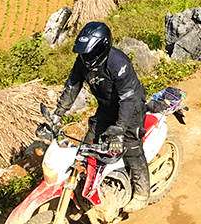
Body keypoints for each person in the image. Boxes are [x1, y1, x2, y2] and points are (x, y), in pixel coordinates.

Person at [51, 21, 151, 213]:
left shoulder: (118, 63)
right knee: (88, 144)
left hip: (131, 109)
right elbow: (72, 86)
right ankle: (89, 184)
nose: (86, 57)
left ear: (102, 47)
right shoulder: (82, 61)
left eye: (90, 52)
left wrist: (120, 130)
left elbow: (127, 99)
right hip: (106, 108)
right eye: (84, 53)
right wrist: (58, 115)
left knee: (131, 147)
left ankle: (141, 193)